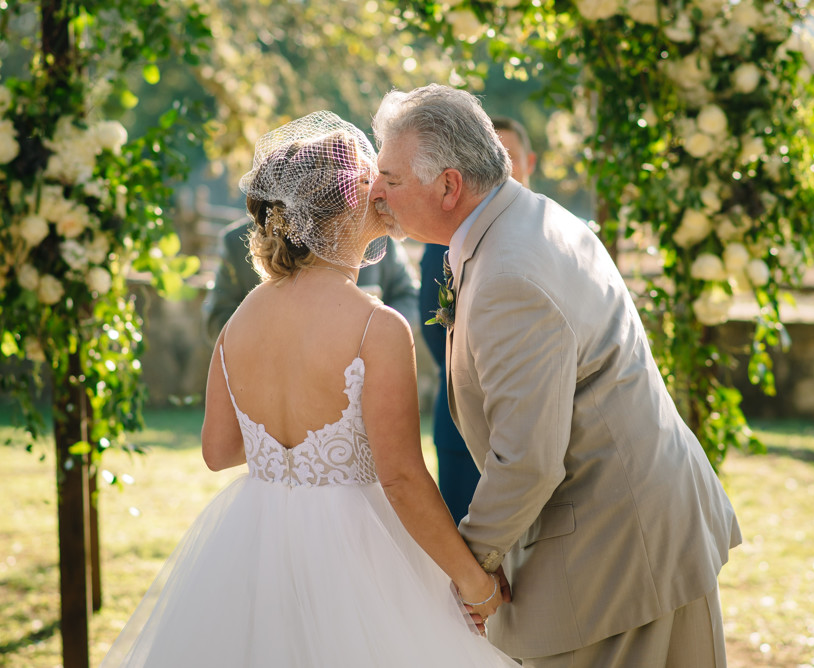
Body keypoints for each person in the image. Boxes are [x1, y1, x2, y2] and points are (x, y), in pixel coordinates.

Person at [101, 111, 517, 667]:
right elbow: (399, 476)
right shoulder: (376, 326)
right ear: (347, 206)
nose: (385, 194)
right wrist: (474, 582)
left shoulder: (239, 321)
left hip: (256, 547)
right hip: (358, 558)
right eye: (377, 183)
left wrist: (287, 447)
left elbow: (218, 450)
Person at [370, 84, 742, 668]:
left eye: (389, 177)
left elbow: (528, 459)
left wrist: (472, 568)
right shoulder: (525, 217)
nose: (375, 192)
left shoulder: (508, 276)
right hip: (644, 525)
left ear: (448, 185)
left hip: (616, 554)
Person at [418, 115, 537, 524]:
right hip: (461, 426)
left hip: (536, 425)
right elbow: (434, 325)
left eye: (511, 157)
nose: (504, 169)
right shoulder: (446, 240)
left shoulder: (551, 233)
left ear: (530, 162)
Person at [203, 207, 419, 340]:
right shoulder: (236, 242)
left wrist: (381, 333)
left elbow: (408, 295)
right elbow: (218, 318)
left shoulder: (376, 235)